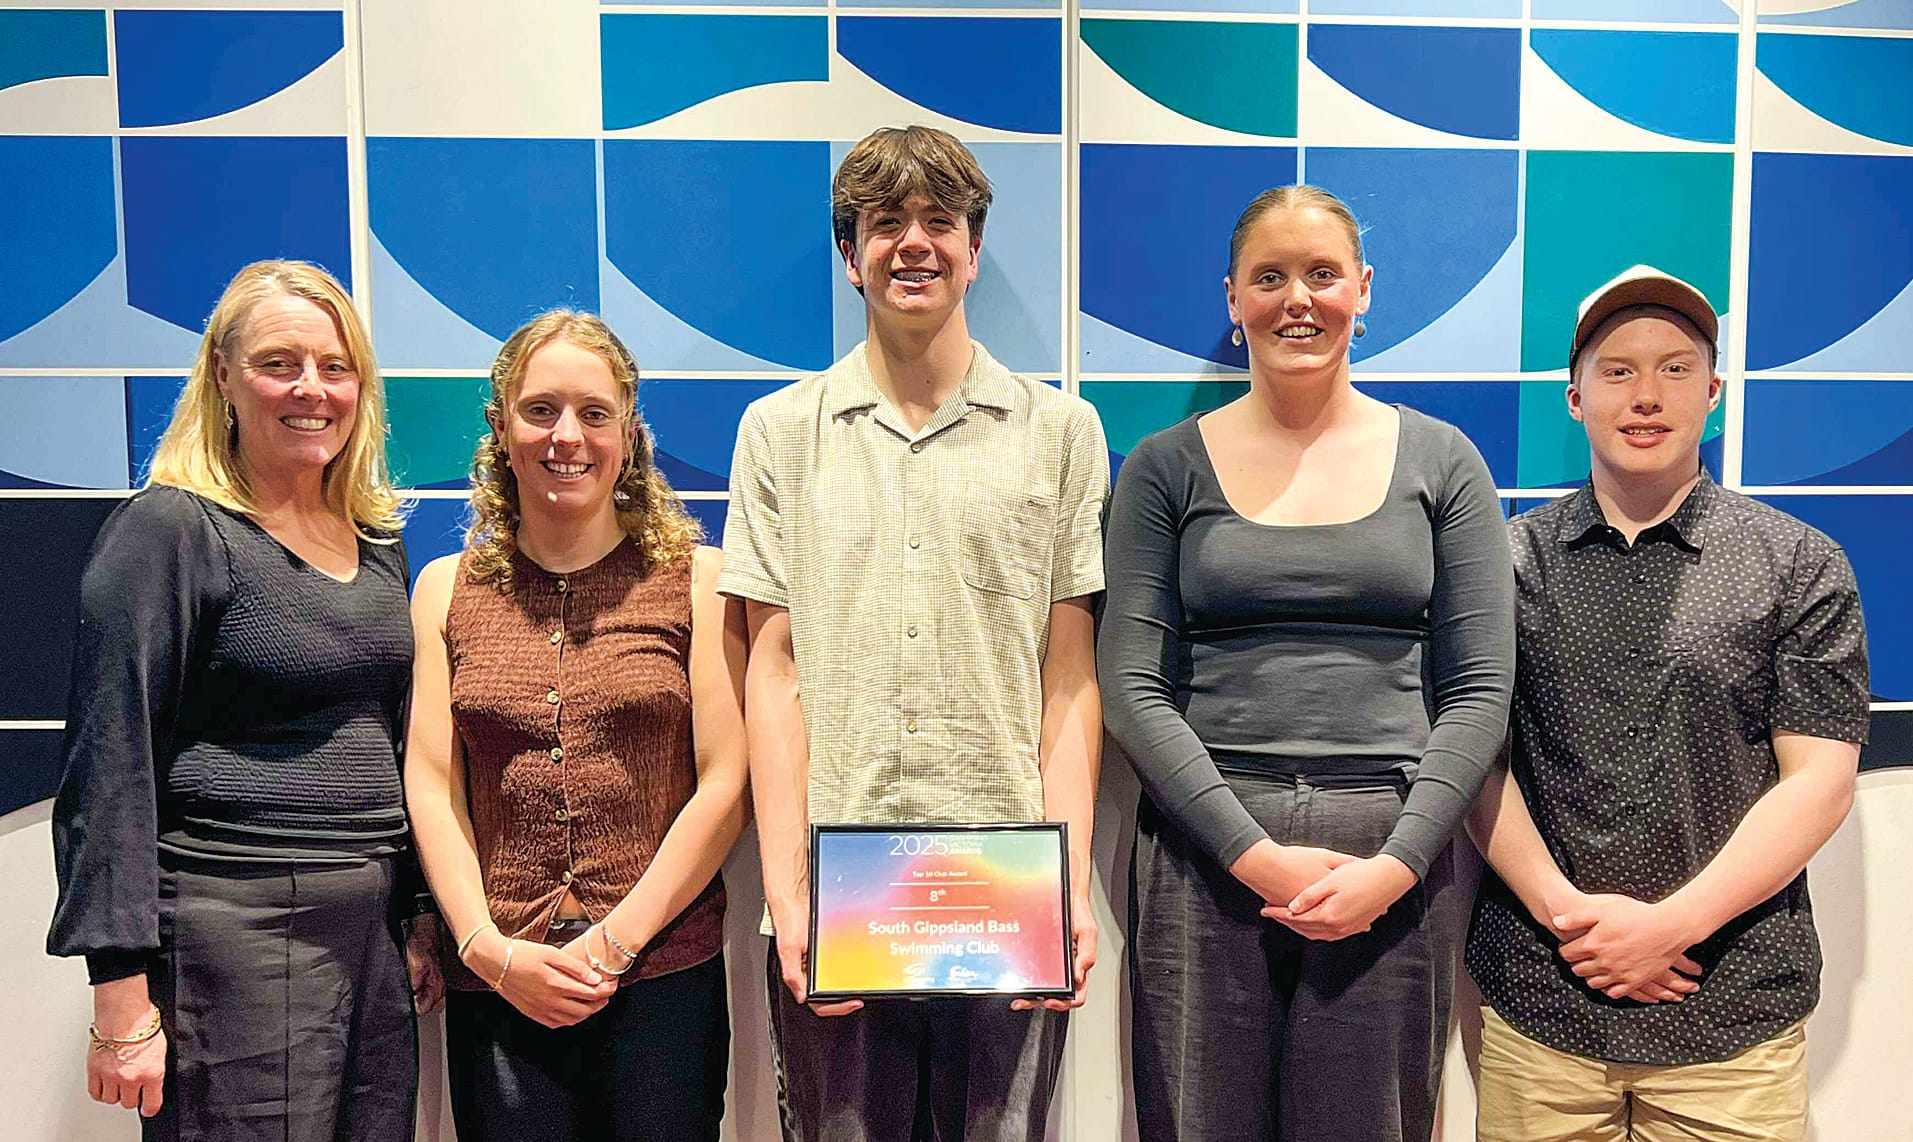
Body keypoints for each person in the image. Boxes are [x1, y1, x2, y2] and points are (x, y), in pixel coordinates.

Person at [1098, 185, 1516, 1142]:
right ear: (1232, 299)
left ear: (1362, 290)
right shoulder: (1163, 468)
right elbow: (1130, 686)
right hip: (1204, 860)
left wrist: (1398, 864)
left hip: (1390, 856)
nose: (1297, 299)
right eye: (1269, 277)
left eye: (1322, 275)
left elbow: (1479, 689)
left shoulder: (1443, 461)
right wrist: (1252, 857)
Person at [719, 124, 1108, 1141]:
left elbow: (1069, 676)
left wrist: (1067, 885)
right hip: (840, 899)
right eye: (884, 222)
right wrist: (789, 894)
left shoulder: (1061, 433)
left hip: (1006, 893)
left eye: (940, 220)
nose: (913, 243)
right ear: (849, 254)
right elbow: (772, 673)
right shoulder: (778, 433)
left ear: (974, 250)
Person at [1465, 266, 1870, 1142]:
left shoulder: (1798, 563)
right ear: (1575, 398)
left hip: (1732, 1014)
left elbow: (1820, 781)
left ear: (1712, 392)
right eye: (1617, 371)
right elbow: (1472, 764)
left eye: (1675, 369)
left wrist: (1671, 927)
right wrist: (1576, 927)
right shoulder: (1502, 564)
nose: (1645, 395)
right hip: (1544, 1006)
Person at [46, 260, 437, 1140]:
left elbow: (387, 733)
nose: (311, 389)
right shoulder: (171, 529)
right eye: (278, 364)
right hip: (233, 927)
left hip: (369, 926)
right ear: (222, 375)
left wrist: (413, 913)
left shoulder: (374, 536)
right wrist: (118, 995)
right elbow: (108, 760)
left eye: (335, 367)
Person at [404, 310, 748, 1142]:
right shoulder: (443, 589)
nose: (567, 436)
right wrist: (483, 947)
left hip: (661, 979)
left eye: (594, 413)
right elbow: (432, 784)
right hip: (500, 984)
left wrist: (614, 943)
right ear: (500, 427)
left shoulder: (697, 581)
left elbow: (725, 783)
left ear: (627, 434)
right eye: (540, 410)